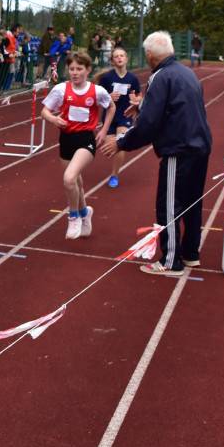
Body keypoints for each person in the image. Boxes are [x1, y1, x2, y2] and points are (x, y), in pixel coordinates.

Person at [100, 31, 212, 275]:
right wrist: (143, 105)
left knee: (170, 205)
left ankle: (171, 261)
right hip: (200, 146)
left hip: (178, 148)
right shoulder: (187, 72)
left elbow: (149, 125)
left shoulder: (160, 77)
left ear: (149, 55)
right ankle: (191, 253)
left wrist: (122, 142)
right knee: (193, 202)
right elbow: (175, 106)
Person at [41, 52, 115, 240]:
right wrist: (53, 119)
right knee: (76, 182)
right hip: (66, 139)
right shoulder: (60, 89)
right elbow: (45, 111)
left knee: (69, 178)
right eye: (72, 69)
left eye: (79, 69)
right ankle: (85, 212)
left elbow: (111, 106)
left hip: (86, 140)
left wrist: (104, 130)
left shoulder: (97, 91)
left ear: (88, 70)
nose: (74, 73)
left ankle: (73, 217)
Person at [98, 46, 141, 188]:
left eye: (122, 55)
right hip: (110, 116)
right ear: (112, 61)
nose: (119, 58)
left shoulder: (132, 79)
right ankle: (114, 171)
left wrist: (136, 99)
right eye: (116, 56)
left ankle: (114, 175)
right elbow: (97, 96)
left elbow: (139, 96)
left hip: (125, 116)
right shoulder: (107, 78)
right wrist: (108, 96)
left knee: (119, 144)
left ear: (126, 59)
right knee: (109, 147)